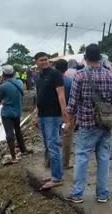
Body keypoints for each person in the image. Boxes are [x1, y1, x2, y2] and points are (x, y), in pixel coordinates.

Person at [66, 44, 112, 204]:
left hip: (87, 124)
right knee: (103, 159)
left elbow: (73, 103)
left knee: (82, 157)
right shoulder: (111, 75)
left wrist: (69, 123)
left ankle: (77, 194)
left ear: (86, 58)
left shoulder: (80, 76)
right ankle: (102, 194)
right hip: (106, 124)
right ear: (100, 57)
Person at [32, 52, 69, 190]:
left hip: (53, 117)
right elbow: (39, 97)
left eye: (46, 60)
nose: (44, 62)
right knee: (48, 146)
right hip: (43, 116)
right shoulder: (39, 76)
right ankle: (55, 174)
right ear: (36, 62)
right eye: (41, 60)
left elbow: (61, 96)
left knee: (53, 146)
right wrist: (36, 115)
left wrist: (65, 116)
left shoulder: (55, 74)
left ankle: (57, 178)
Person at [0, 65, 28, 163]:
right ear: (14, 73)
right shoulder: (19, 82)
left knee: (9, 134)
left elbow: (0, 100)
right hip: (17, 112)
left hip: (7, 114)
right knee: (18, 130)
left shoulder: (3, 86)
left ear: (4, 74)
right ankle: (24, 150)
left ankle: (13, 157)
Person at [54, 59, 73, 169]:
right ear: (66, 69)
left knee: (52, 137)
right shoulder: (70, 81)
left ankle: (49, 161)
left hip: (53, 113)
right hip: (68, 113)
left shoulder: (51, 80)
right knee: (66, 137)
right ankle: (65, 163)